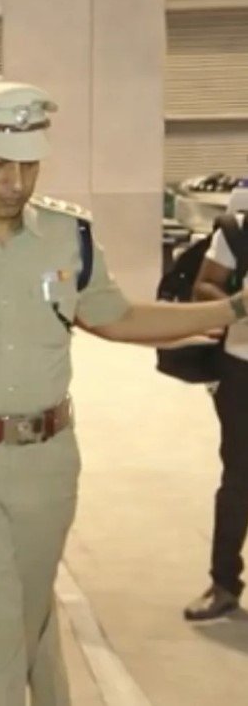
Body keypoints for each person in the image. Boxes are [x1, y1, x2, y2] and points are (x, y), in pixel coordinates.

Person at [0, 81, 248, 706]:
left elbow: (116, 317)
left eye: (29, 166)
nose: (16, 183)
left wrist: (233, 307)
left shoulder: (70, 236)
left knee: (27, 618)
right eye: (0, 165)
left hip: (48, 463)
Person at [186, 187, 248, 620]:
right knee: (240, 477)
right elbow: (204, 285)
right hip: (243, 367)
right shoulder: (237, 231)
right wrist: (238, 306)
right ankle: (223, 583)